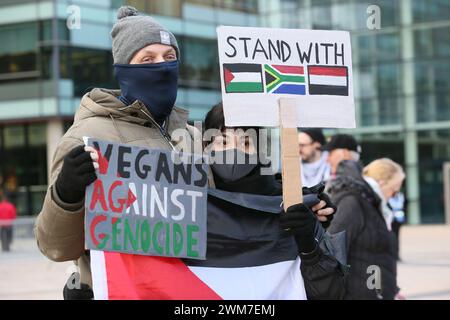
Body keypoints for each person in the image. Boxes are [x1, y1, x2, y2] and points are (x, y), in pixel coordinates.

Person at [35, 6, 199, 299]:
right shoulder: (87, 137)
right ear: (125, 70)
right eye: (147, 59)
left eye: (169, 57)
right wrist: (66, 194)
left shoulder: (192, 136)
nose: (161, 66)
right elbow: (54, 246)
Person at [202, 103, 347, 299]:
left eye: (245, 143)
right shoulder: (189, 202)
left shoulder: (292, 205)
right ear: (205, 146)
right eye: (223, 142)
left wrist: (308, 244)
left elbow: (331, 292)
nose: (233, 153)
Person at [327, 158, 405, 300]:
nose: (393, 197)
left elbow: (378, 255)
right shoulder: (353, 202)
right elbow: (332, 250)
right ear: (382, 182)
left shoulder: (372, 203)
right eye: (394, 191)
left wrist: (392, 289)